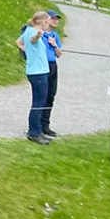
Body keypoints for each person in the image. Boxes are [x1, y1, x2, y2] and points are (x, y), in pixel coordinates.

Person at [16, 11, 53, 145]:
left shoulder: (28, 31)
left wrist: (28, 51)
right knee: (39, 102)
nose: (48, 24)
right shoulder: (33, 33)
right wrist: (37, 36)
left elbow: (18, 42)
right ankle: (34, 133)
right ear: (42, 22)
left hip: (36, 71)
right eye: (47, 22)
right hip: (38, 73)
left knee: (40, 101)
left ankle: (37, 131)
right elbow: (33, 40)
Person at [40, 10, 64, 138]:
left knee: (50, 96)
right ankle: (37, 125)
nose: (56, 21)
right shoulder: (40, 34)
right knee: (42, 96)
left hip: (53, 65)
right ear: (47, 19)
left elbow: (59, 54)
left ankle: (46, 125)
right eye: (53, 18)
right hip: (43, 66)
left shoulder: (55, 35)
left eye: (57, 19)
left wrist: (54, 45)